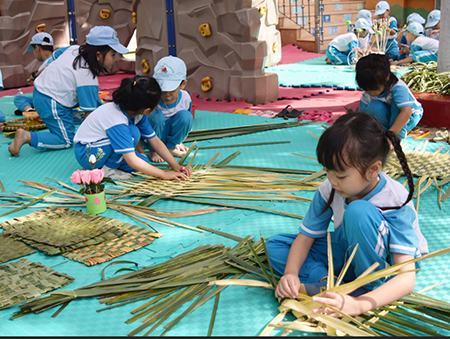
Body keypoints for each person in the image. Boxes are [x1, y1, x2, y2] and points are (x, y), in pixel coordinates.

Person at [266, 112, 428, 315]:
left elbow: (406, 277)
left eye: (341, 175)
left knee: (358, 211)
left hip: (385, 266)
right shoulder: (331, 187)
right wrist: (290, 274)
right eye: (328, 171)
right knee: (277, 245)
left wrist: (360, 306)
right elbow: (306, 236)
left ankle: (365, 290)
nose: (332, 181)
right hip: (349, 248)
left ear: (373, 169)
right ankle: (329, 285)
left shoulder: (395, 199)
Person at [8, 26, 127, 157]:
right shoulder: (87, 76)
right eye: (113, 54)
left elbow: (52, 57)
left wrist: (39, 74)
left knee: (88, 106)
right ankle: (27, 136)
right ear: (98, 55)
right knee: (65, 140)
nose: (116, 59)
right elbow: (90, 114)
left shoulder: (73, 49)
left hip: (42, 92)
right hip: (52, 102)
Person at [74, 75, 191, 180]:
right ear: (147, 110)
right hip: (88, 153)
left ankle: (113, 163)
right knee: (132, 137)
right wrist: (164, 174)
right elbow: (131, 159)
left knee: (143, 160)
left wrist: (174, 165)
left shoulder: (136, 111)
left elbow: (154, 140)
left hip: (102, 147)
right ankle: (108, 169)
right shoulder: (117, 120)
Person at [356, 53, 423, 139]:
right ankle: (385, 130)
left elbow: (406, 112)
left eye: (374, 89)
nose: (370, 93)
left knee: (397, 105)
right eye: (367, 90)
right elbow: (362, 112)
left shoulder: (398, 88)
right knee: (373, 107)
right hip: (389, 111)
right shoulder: (369, 86)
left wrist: (391, 135)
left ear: (386, 77)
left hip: (409, 116)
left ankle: (397, 135)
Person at [148, 55, 193, 162]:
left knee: (186, 117)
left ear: (182, 84)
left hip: (170, 134)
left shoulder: (185, 98)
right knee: (155, 116)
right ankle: (155, 150)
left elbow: (186, 122)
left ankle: (170, 147)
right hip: (153, 135)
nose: (167, 94)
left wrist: (178, 141)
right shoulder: (152, 97)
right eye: (163, 90)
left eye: (171, 90)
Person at [13, 32, 67, 116]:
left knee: (22, 98)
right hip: (60, 98)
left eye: (33, 50)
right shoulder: (59, 58)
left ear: (37, 48)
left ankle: (32, 111)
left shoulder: (50, 64)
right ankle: (31, 110)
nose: (34, 54)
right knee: (20, 98)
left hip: (56, 99)